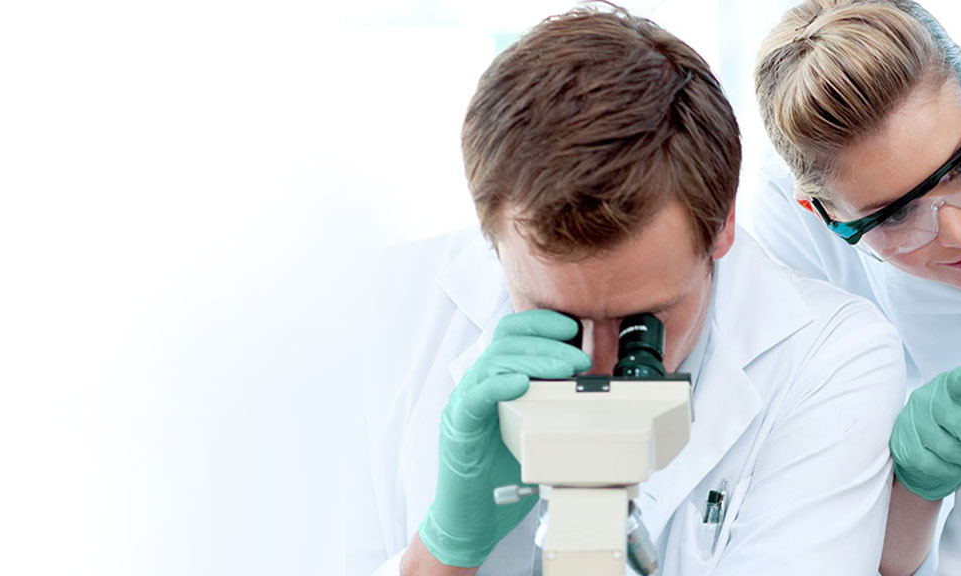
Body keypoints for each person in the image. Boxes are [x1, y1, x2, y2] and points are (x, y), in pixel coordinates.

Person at [360, 6, 906, 574]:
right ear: (491, 239)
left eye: (640, 322)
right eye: (556, 317)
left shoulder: (832, 361)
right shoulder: (391, 304)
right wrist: (444, 548)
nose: (597, 366)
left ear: (722, 224)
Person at [746, 2, 961, 574]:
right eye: (895, 214)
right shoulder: (786, 244)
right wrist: (914, 486)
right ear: (821, 215)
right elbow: (840, 546)